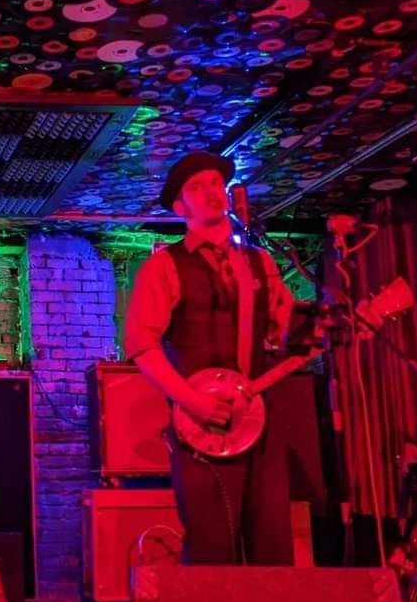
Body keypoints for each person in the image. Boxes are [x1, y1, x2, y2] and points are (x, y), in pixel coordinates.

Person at [125, 151, 295, 565]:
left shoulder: (261, 262)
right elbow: (141, 346)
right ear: (180, 207)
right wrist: (191, 400)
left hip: (258, 421)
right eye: (197, 187)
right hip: (200, 427)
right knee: (211, 549)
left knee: (272, 547)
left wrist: (318, 331)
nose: (211, 192)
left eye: (217, 184)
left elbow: (287, 332)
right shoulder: (163, 266)